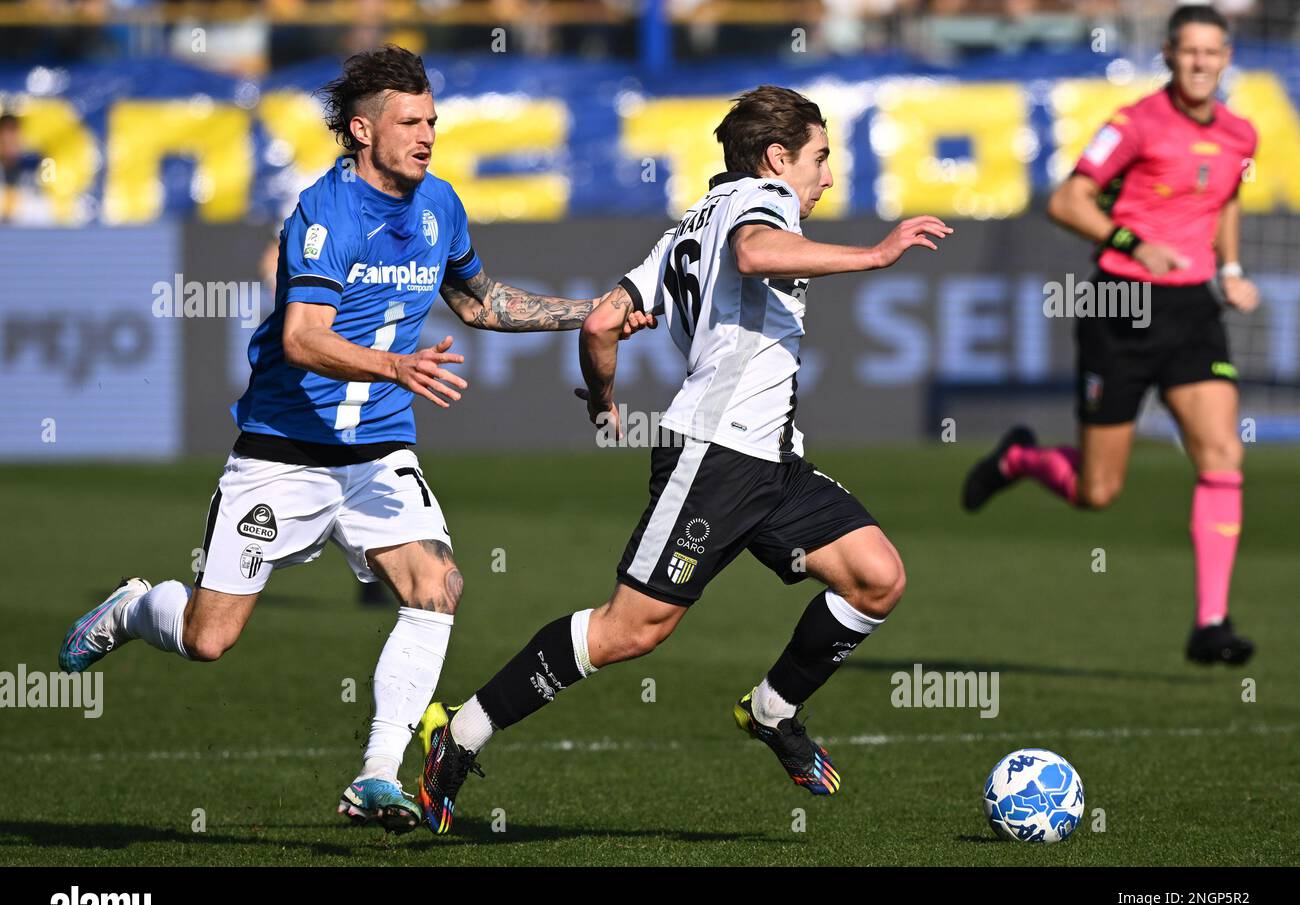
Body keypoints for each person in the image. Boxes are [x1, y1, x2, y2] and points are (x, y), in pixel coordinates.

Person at [58, 45, 649, 834]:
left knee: (437, 585)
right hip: (284, 449)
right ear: (364, 131)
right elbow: (303, 338)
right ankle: (135, 609)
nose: (428, 133)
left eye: (433, 119)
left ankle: (377, 775)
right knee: (209, 639)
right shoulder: (324, 213)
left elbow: (479, 302)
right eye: (410, 121)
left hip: (377, 452)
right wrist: (392, 364)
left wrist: (592, 310)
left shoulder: (440, 205)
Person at [414, 85, 952, 835]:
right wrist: (877, 253)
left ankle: (772, 710)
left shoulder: (682, 230)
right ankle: (460, 732)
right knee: (630, 630)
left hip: (773, 462)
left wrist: (604, 403)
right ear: (775, 159)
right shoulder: (763, 203)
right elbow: (755, 252)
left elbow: (603, 320)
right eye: (820, 159)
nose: (827, 177)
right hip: (715, 458)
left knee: (877, 577)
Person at [961, 5, 1259, 665]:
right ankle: (1020, 459)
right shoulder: (1136, 124)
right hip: (1122, 304)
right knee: (1099, 492)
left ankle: (1211, 622)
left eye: (1212, 52)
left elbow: (1227, 194)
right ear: (1169, 55)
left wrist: (1232, 270)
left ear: (1227, 56)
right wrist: (1134, 242)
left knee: (1221, 457)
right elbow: (1068, 200)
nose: (1201, 63)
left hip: (1193, 314)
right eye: (1189, 52)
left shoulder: (1241, 133)